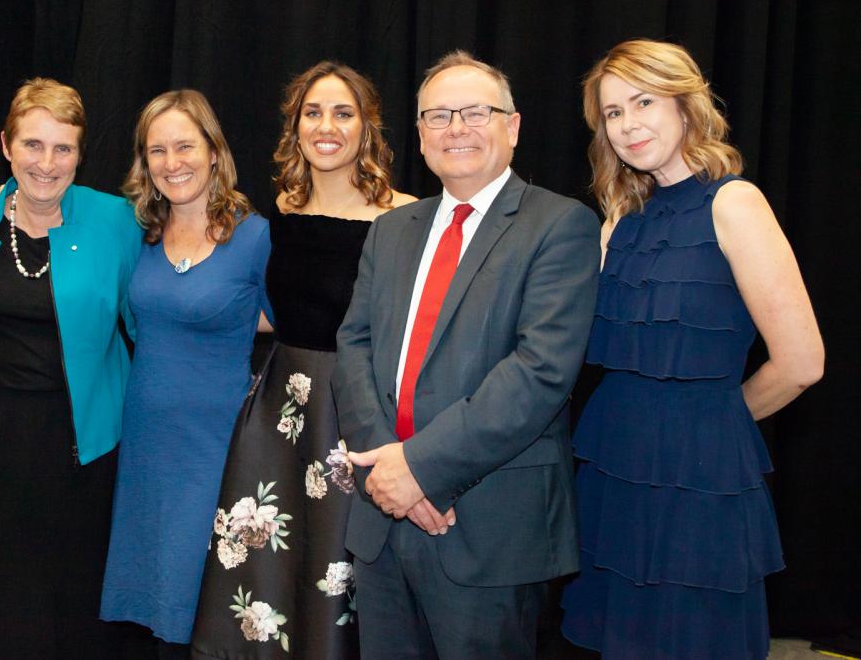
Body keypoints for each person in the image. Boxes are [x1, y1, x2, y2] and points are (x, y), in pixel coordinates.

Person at [331, 49, 601, 658]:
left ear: (513, 125)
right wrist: (386, 472)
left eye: (475, 112)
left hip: (489, 524)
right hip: (381, 516)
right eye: (438, 116)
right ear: (421, 136)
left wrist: (421, 470)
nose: (456, 128)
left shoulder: (561, 226)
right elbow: (354, 346)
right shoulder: (392, 228)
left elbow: (540, 374)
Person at [560, 39, 824, 660]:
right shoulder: (618, 220)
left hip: (699, 475)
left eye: (643, 101)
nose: (628, 124)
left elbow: (802, 363)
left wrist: (716, 419)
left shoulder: (734, 203)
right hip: (612, 462)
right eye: (613, 113)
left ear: (686, 106)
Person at [0, 78, 142, 657]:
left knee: (59, 597)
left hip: (76, 450)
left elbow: (160, 303)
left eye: (63, 148)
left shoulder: (119, 222)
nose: (47, 163)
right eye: (33, 145)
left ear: (81, 155)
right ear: (6, 146)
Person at [190, 61, 414, 659]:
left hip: (355, 416)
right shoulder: (281, 210)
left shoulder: (405, 217)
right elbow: (258, 306)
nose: (327, 126)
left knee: (341, 568)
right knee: (267, 567)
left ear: (368, 127)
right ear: (295, 127)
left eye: (344, 113)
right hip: (278, 413)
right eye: (313, 112)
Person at [100, 89, 271, 655]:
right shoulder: (135, 234)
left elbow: (297, 322)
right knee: (154, 610)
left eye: (185, 146)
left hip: (215, 453)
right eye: (157, 151)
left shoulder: (255, 237)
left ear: (214, 151)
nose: (173, 163)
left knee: (201, 611)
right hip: (146, 449)